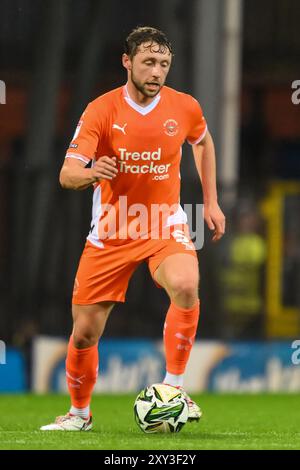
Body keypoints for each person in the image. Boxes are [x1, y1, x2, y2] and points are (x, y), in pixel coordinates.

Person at [41, 26, 225, 431]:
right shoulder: (101, 110)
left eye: (163, 63)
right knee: (85, 333)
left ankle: (174, 388)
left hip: (164, 222)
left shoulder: (185, 107)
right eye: (148, 62)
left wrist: (210, 202)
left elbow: (204, 142)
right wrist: (91, 171)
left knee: (187, 285)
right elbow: (67, 174)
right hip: (112, 229)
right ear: (127, 62)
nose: (157, 71)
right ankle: (79, 415)